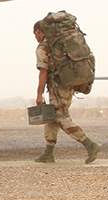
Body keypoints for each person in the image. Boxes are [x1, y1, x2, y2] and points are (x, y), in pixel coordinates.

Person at [33, 22, 100, 164]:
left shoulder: (44, 47)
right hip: (68, 85)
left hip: (58, 87)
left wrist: (39, 95)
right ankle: (48, 153)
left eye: (35, 34)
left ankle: (90, 144)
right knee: (52, 118)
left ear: (39, 31)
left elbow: (43, 72)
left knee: (61, 117)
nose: (35, 37)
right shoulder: (60, 45)